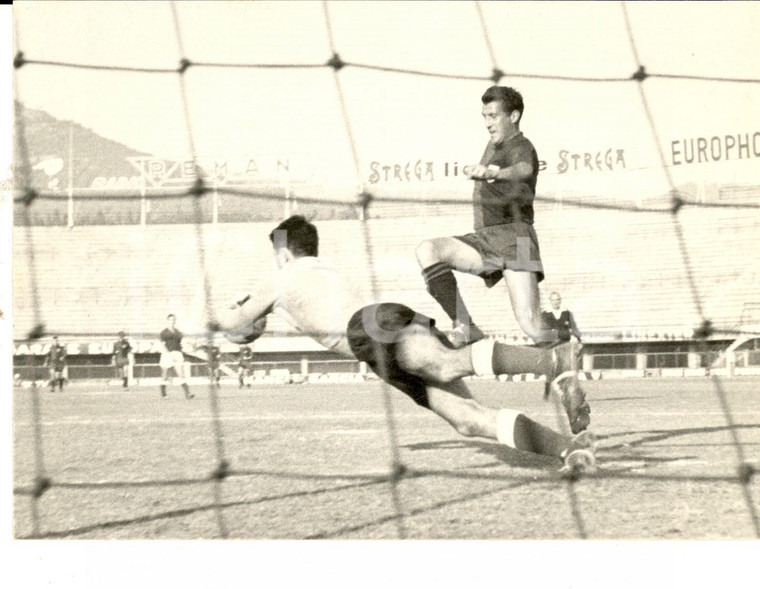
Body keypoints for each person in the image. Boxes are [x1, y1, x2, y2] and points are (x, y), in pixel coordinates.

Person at [216, 216, 594, 473]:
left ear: (283, 253)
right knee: (466, 420)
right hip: (375, 339)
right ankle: (569, 448)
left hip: (367, 328)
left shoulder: (284, 276)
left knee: (446, 364)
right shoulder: (320, 269)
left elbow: (234, 324)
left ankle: (552, 361)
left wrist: (220, 314)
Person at [415, 85, 553, 347]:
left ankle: (565, 356)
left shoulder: (521, 145)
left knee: (531, 324)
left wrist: (493, 173)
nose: (487, 123)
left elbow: (524, 168)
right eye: (484, 116)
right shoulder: (493, 145)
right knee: (428, 250)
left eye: (493, 116)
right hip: (486, 239)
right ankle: (465, 327)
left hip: (517, 240)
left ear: (513, 117)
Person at [159, 314, 194, 399]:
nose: (172, 321)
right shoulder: (163, 333)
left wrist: (188, 345)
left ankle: (187, 394)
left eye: (174, 320)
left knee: (181, 373)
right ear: (167, 321)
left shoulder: (178, 332)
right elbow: (163, 345)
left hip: (177, 353)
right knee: (165, 374)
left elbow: (181, 343)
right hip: (167, 354)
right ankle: (163, 393)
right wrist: (169, 355)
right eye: (171, 320)